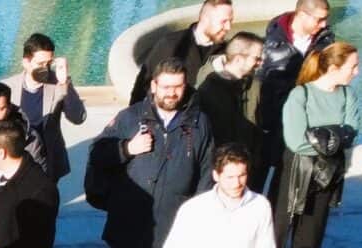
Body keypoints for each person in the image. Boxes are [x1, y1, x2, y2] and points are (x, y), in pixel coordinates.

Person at [91, 58, 213, 248]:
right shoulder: (129, 117)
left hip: (172, 222)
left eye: (178, 87)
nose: (172, 93)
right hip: (128, 218)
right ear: (154, 85)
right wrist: (126, 148)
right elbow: (98, 153)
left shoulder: (199, 122)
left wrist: (198, 217)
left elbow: (207, 171)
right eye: (166, 87)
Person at [265, 40, 362, 248]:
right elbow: (295, 141)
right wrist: (334, 138)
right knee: (276, 234)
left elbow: (352, 130)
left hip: (325, 176)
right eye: (352, 66)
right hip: (295, 172)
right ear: (333, 68)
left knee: (310, 236)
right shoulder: (301, 95)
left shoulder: (348, 95)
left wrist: (321, 136)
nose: (356, 72)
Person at [256, 0, 336, 191]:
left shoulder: (325, 41)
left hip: (302, 122)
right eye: (319, 19)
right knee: (256, 174)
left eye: (326, 19)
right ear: (302, 15)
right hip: (269, 122)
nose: (324, 24)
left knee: (287, 183)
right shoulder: (271, 42)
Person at [2, 34, 88, 183]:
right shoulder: (8, 87)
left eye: (48, 63)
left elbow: (78, 117)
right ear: (26, 62)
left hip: (48, 160)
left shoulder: (58, 84)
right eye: (40, 63)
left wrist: (64, 83)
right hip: (16, 159)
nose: (45, 69)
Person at [133, 0, 236, 103]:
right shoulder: (170, 45)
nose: (228, 27)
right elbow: (142, 87)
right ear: (205, 19)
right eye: (223, 21)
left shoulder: (226, 51)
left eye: (230, 21)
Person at [194, 34, 269, 173]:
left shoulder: (254, 84)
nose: (261, 63)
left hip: (248, 165)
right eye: (257, 58)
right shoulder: (208, 89)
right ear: (239, 59)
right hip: (220, 168)